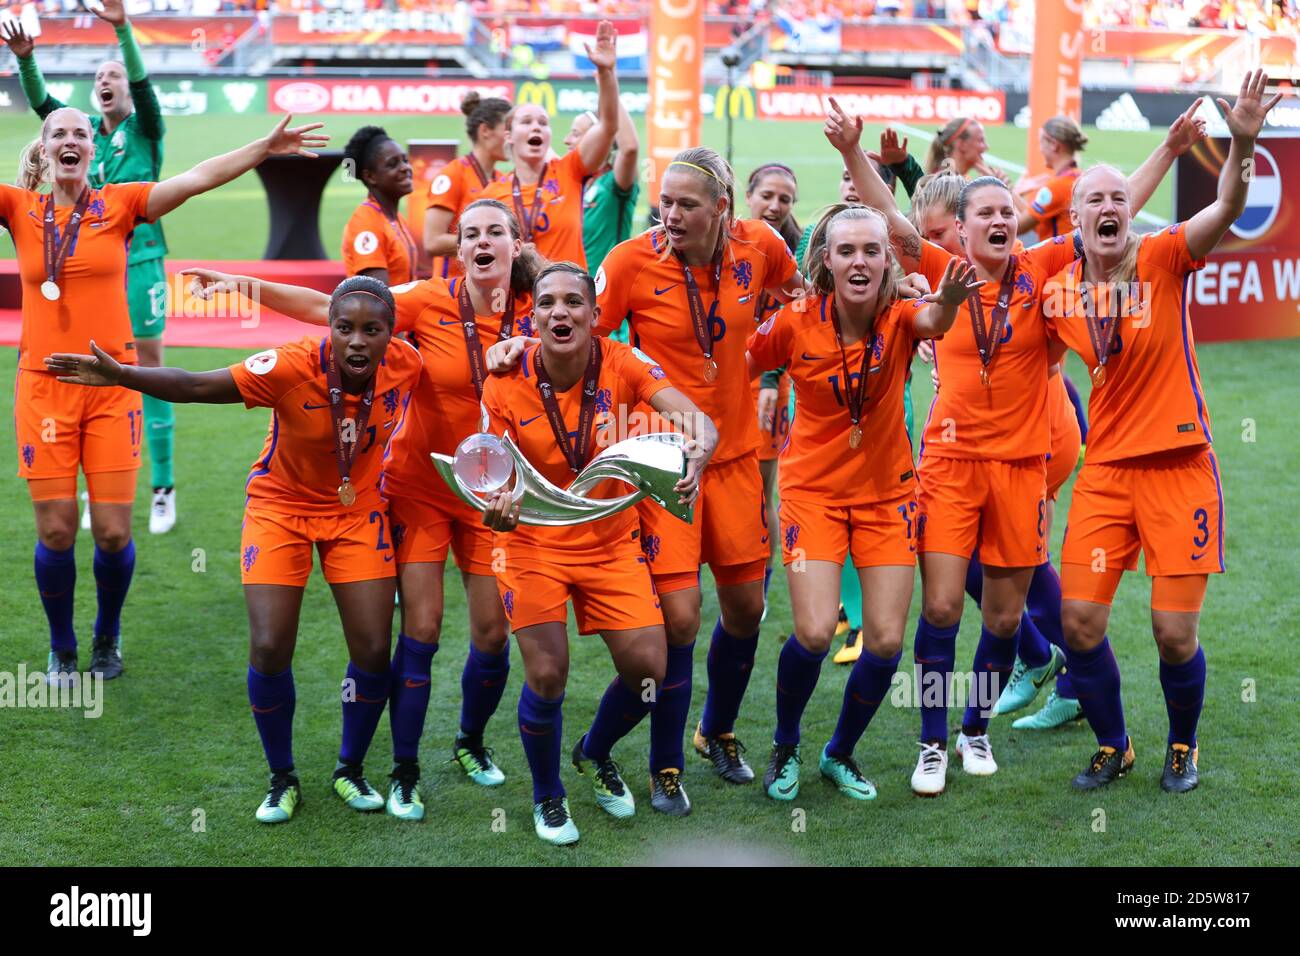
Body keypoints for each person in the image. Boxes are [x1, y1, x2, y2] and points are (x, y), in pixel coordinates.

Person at [827, 94, 1193, 796]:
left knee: (1001, 616)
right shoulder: (940, 270)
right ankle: (932, 744)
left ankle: (973, 728)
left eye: (1005, 212)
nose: (998, 220)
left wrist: (1170, 152)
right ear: (959, 231)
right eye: (982, 214)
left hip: (1024, 470)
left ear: (1015, 223)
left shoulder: (1047, 268)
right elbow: (888, 219)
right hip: (950, 466)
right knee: (938, 610)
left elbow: (1104, 211)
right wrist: (851, 152)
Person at [182, 198, 540, 816]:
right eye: (470, 233)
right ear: (459, 248)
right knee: (420, 628)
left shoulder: (543, 310)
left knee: (491, 633)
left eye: (494, 233)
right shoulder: (429, 298)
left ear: (515, 244)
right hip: (424, 487)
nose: (481, 242)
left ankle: (471, 743)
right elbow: (337, 308)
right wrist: (244, 286)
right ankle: (404, 770)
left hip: (493, 497)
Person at [488, 146, 804, 814]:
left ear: (721, 207)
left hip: (739, 459)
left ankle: (714, 731)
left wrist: (771, 374)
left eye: (687, 204)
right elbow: (575, 330)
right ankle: (664, 768)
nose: (670, 215)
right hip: (663, 468)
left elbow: (793, 302)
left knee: (746, 610)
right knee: (682, 621)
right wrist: (518, 343)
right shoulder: (631, 261)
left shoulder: (762, 247)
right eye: (665, 203)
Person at [45, 276, 423, 824]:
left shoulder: (408, 366)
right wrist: (122, 375)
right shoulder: (292, 366)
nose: (358, 341)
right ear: (329, 328)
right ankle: (281, 777)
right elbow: (199, 385)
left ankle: (350, 768)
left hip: (356, 514)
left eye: (373, 330)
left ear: (392, 334)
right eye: (345, 328)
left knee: (370, 652)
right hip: (280, 510)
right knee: (270, 647)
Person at [3, 110, 326, 684]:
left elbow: (199, 176)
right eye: (60, 134)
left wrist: (265, 145)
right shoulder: (19, 209)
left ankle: (107, 636)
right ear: (45, 149)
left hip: (112, 386)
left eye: (81, 133)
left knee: (113, 532)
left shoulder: (120, 205)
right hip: (43, 390)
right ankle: (62, 647)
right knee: (54, 531)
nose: (71, 141)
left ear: (92, 151)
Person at [1044, 72, 1280, 793]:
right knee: (1078, 624)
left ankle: (1183, 745)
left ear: (1133, 209)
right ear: (1075, 217)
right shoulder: (1056, 291)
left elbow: (1230, 205)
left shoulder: (1163, 257)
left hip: (1180, 468)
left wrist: (1240, 143)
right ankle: (1116, 744)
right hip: (1106, 474)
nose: (1109, 207)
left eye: (1119, 197)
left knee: (1174, 635)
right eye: (1095, 200)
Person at [747, 204, 981, 801]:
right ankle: (785, 743)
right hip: (812, 497)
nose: (859, 261)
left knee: (883, 641)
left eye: (871, 251)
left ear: (886, 260)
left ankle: (839, 752)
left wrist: (950, 300)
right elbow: (745, 361)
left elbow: (935, 320)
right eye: (847, 250)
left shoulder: (902, 314)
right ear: (827, 259)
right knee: (816, 631)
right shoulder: (796, 320)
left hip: (887, 498)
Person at [478, 262, 717, 845]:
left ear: (594, 314)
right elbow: (489, 473)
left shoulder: (622, 362)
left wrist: (701, 443)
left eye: (573, 303)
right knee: (548, 674)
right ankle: (548, 796)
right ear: (532, 318)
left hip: (609, 539)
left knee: (648, 672)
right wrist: (496, 503)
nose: (561, 313)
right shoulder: (504, 379)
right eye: (547, 305)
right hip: (530, 540)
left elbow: (691, 416)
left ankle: (595, 749)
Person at [4, 1, 179, 534]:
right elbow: (46, 110)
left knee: (143, 367)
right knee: (78, 360)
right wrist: (26, 60)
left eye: (115, 76)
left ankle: (162, 487)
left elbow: (143, 85)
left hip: (141, 261)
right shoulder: (86, 137)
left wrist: (123, 29)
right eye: (100, 76)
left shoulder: (145, 126)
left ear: (128, 90)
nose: (107, 80)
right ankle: (95, 481)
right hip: (83, 263)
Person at [478, 20, 619, 270]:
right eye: (526, 122)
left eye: (543, 122)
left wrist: (607, 73)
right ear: (508, 136)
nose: (536, 127)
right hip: (518, 301)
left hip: (567, 298)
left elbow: (608, 126)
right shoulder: (491, 196)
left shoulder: (569, 170)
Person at [744, 163, 801, 616]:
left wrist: (768, 380)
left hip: (770, 385)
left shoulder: (796, 250)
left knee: (761, 488)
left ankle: (758, 580)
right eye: (767, 195)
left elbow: (796, 321)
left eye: (784, 199)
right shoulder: (729, 242)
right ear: (749, 195)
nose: (775, 205)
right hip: (721, 379)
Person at [424, 91, 511, 279]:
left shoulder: (503, 179)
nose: (512, 137)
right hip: (454, 290)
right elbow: (432, 242)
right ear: (485, 131)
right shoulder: (453, 175)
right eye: (507, 129)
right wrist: (492, 242)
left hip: (489, 285)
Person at [565, 102, 640, 277]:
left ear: (599, 139)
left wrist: (608, 89)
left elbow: (629, 149)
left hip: (605, 291)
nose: (566, 140)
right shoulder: (571, 182)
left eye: (575, 134)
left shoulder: (612, 183)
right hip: (572, 291)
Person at [341, 126, 418, 285]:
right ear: (370, 176)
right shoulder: (366, 223)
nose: (405, 168)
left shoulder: (395, 218)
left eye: (405, 160)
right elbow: (377, 296)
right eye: (393, 164)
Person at [1014, 115, 1089, 242]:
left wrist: (1007, 191)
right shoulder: (1080, 178)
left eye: (1041, 143)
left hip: (1060, 260)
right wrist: (1013, 194)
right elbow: (1038, 223)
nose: (1040, 149)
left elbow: (1019, 227)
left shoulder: (1056, 186)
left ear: (1054, 145)